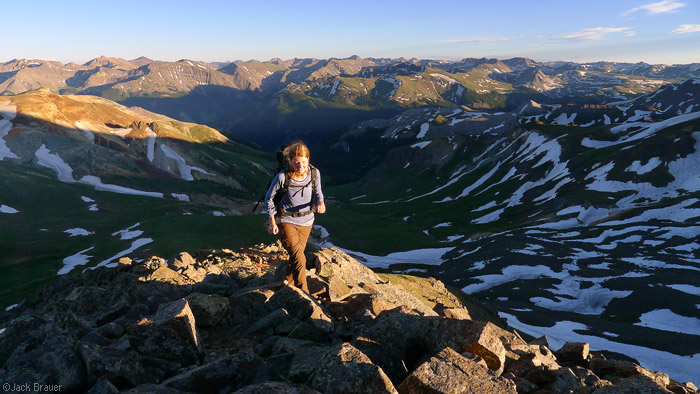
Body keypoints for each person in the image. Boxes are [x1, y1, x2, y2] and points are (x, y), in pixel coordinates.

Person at [265, 140, 325, 293]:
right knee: (299, 258)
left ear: (308, 159)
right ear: (291, 161)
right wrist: (272, 222)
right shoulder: (282, 177)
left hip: (307, 221)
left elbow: (318, 193)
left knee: (295, 258)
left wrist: (321, 203)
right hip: (285, 221)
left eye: (303, 162)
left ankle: (286, 288)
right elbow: (269, 199)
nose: (300, 166)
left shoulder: (314, 173)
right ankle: (303, 294)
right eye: (296, 163)